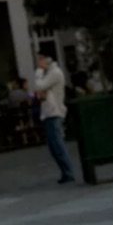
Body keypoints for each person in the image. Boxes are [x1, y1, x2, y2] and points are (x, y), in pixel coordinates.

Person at [34, 54, 76, 184]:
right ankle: (65, 172)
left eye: (41, 59)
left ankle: (68, 172)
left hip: (54, 112)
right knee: (53, 146)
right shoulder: (49, 73)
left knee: (57, 144)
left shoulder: (54, 73)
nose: (39, 62)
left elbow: (40, 86)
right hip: (49, 112)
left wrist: (38, 71)